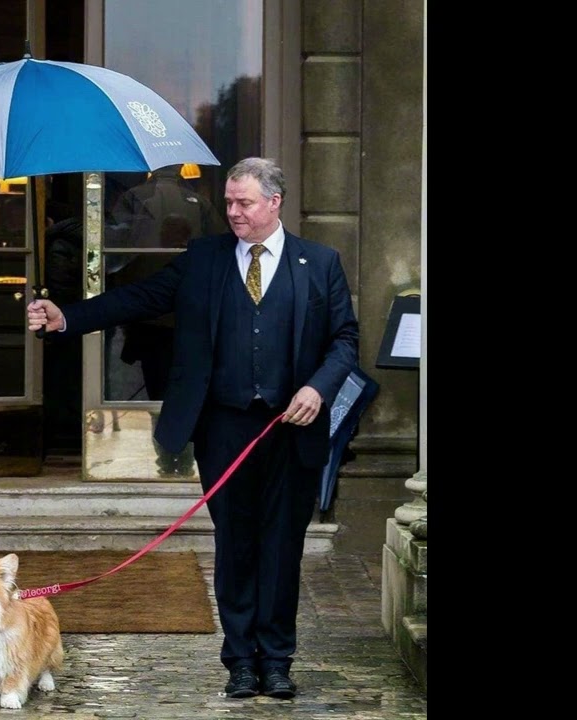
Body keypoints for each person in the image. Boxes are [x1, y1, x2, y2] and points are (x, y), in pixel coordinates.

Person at [26, 157, 358, 700]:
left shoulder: (319, 262)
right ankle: (241, 663)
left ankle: (277, 661)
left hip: (292, 429)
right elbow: (140, 297)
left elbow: (344, 338)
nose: (233, 212)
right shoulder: (204, 258)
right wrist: (68, 317)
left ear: (274, 202)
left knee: (282, 548)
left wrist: (318, 388)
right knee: (235, 546)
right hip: (223, 427)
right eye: (229, 202)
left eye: (244, 202)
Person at [107, 165, 227, 475]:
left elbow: (114, 250)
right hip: (191, 319)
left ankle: (167, 458)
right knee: (187, 389)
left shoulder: (136, 198)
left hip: (150, 319)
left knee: (158, 388)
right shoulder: (199, 203)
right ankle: (184, 459)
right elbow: (223, 249)